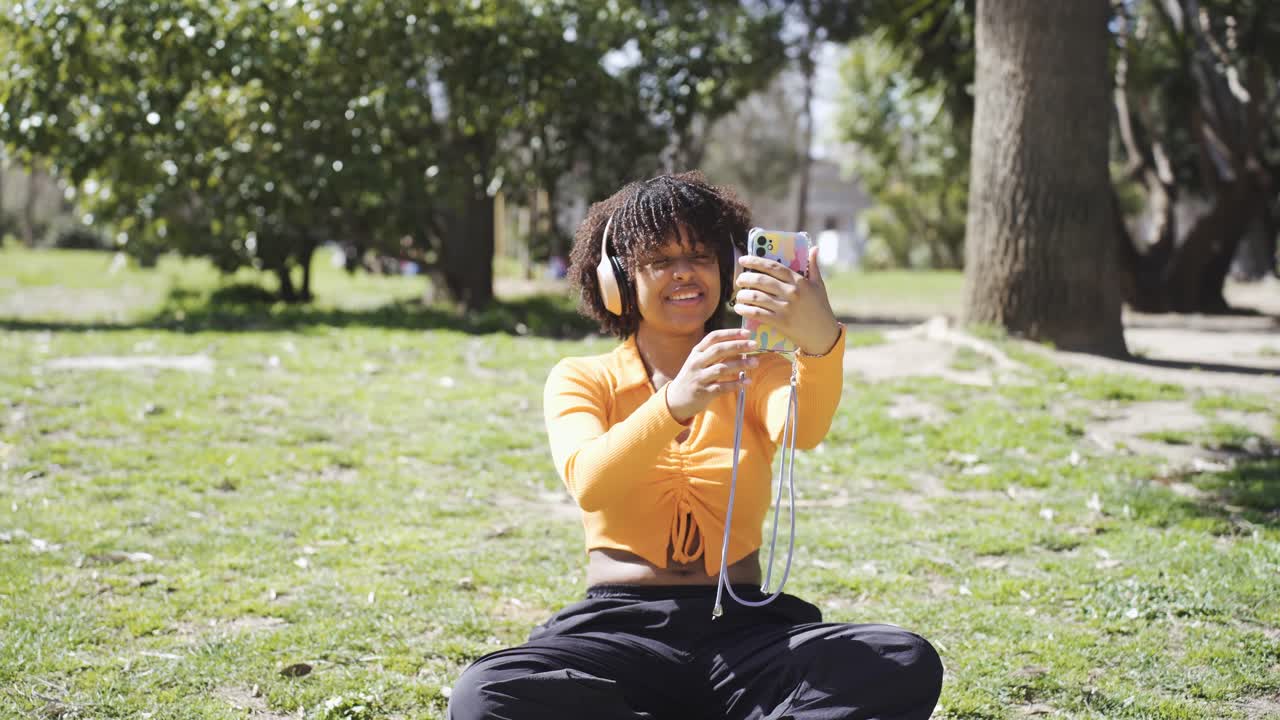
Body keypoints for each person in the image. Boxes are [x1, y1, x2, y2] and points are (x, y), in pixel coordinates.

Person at [449, 172, 942, 720]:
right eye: (659, 260)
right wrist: (676, 401)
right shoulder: (581, 378)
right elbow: (590, 480)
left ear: (726, 269)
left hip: (745, 628)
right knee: (487, 692)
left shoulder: (761, 370)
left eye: (701, 255)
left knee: (902, 660)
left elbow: (803, 429)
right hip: (619, 631)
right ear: (617, 281)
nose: (684, 271)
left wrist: (820, 341)